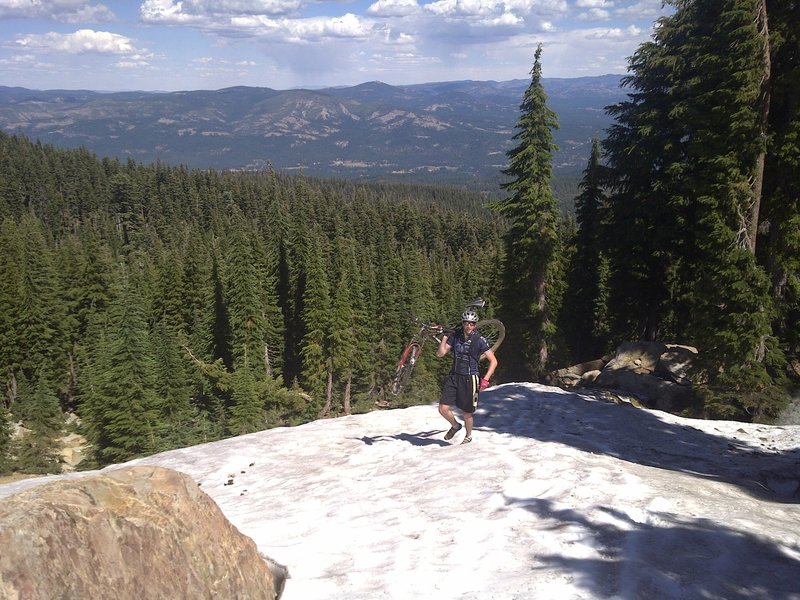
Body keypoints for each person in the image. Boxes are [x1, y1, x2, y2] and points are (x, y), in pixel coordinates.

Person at [436, 309, 498, 444]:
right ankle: (455, 425)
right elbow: (440, 354)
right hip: (454, 376)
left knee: (467, 412)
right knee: (443, 408)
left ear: (475, 325)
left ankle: (468, 435)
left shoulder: (480, 340)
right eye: (466, 323)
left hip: (470, 379)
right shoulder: (455, 336)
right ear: (463, 323)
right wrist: (445, 337)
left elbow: (493, 361)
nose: (469, 326)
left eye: (472, 323)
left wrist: (485, 380)